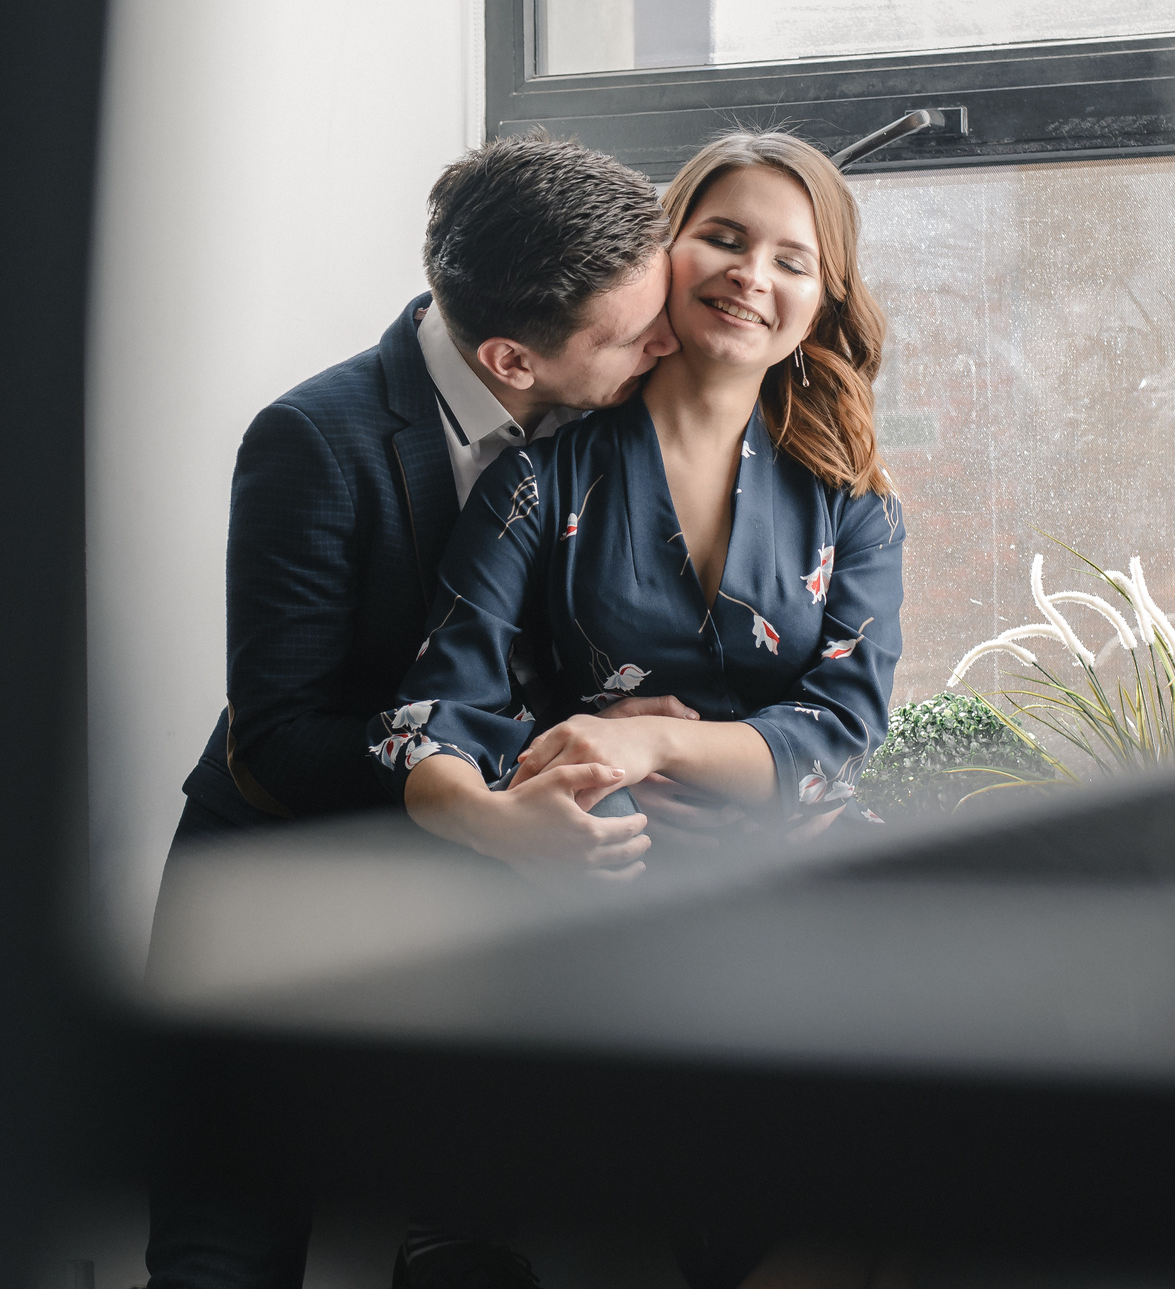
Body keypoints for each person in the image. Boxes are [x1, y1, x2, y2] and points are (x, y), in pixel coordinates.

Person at [147, 133, 690, 1289]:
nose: (668, 340)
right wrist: (491, 793)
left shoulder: (625, 419)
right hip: (276, 877)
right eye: (635, 330)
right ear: (511, 356)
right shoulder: (313, 440)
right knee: (222, 1249)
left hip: (491, 913)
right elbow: (278, 736)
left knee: (467, 1244)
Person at [378, 127, 905, 882]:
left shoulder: (855, 498)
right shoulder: (534, 483)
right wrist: (506, 819)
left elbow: (847, 730)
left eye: (793, 262)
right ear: (663, 252)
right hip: (609, 872)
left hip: (812, 877)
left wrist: (651, 743)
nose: (751, 275)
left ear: (820, 307)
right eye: (724, 239)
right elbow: (436, 719)